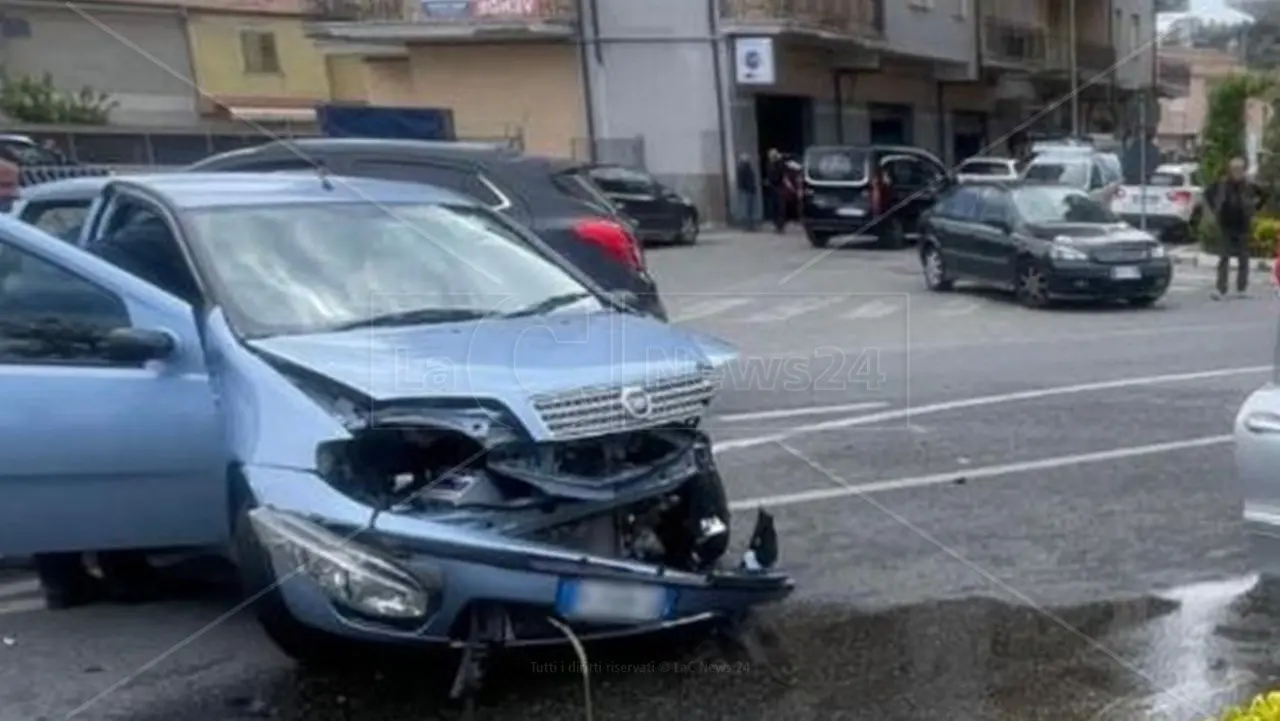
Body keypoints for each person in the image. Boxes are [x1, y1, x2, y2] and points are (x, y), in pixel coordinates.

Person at [1205, 157, 1266, 299]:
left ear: (1243, 170)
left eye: (1239, 169)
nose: (1237, 172)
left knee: (1243, 258)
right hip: (1226, 224)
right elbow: (1208, 193)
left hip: (1243, 224)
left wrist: (1255, 208)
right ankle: (1221, 289)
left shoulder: (1249, 185)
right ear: (1230, 170)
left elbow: (1264, 194)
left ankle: (1241, 288)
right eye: (1234, 169)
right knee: (1224, 258)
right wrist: (1215, 209)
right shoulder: (1222, 184)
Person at [763, 148, 791, 233]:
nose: (772, 157)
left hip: (780, 187)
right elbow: (769, 174)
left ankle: (780, 225)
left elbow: (783, 171)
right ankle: (777, 224)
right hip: (772, 188)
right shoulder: (769, 164)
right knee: (774, 207)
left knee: (780, 207)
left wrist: (780, 160)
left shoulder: (780, 163)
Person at [735, 153, 758, 231]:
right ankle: (749, 226)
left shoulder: (742, 168)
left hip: (747, 190)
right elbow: (745, 180)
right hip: (747, 190)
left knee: (748, 209)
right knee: (748, 209)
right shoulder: (745, 168)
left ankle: (749, 225)